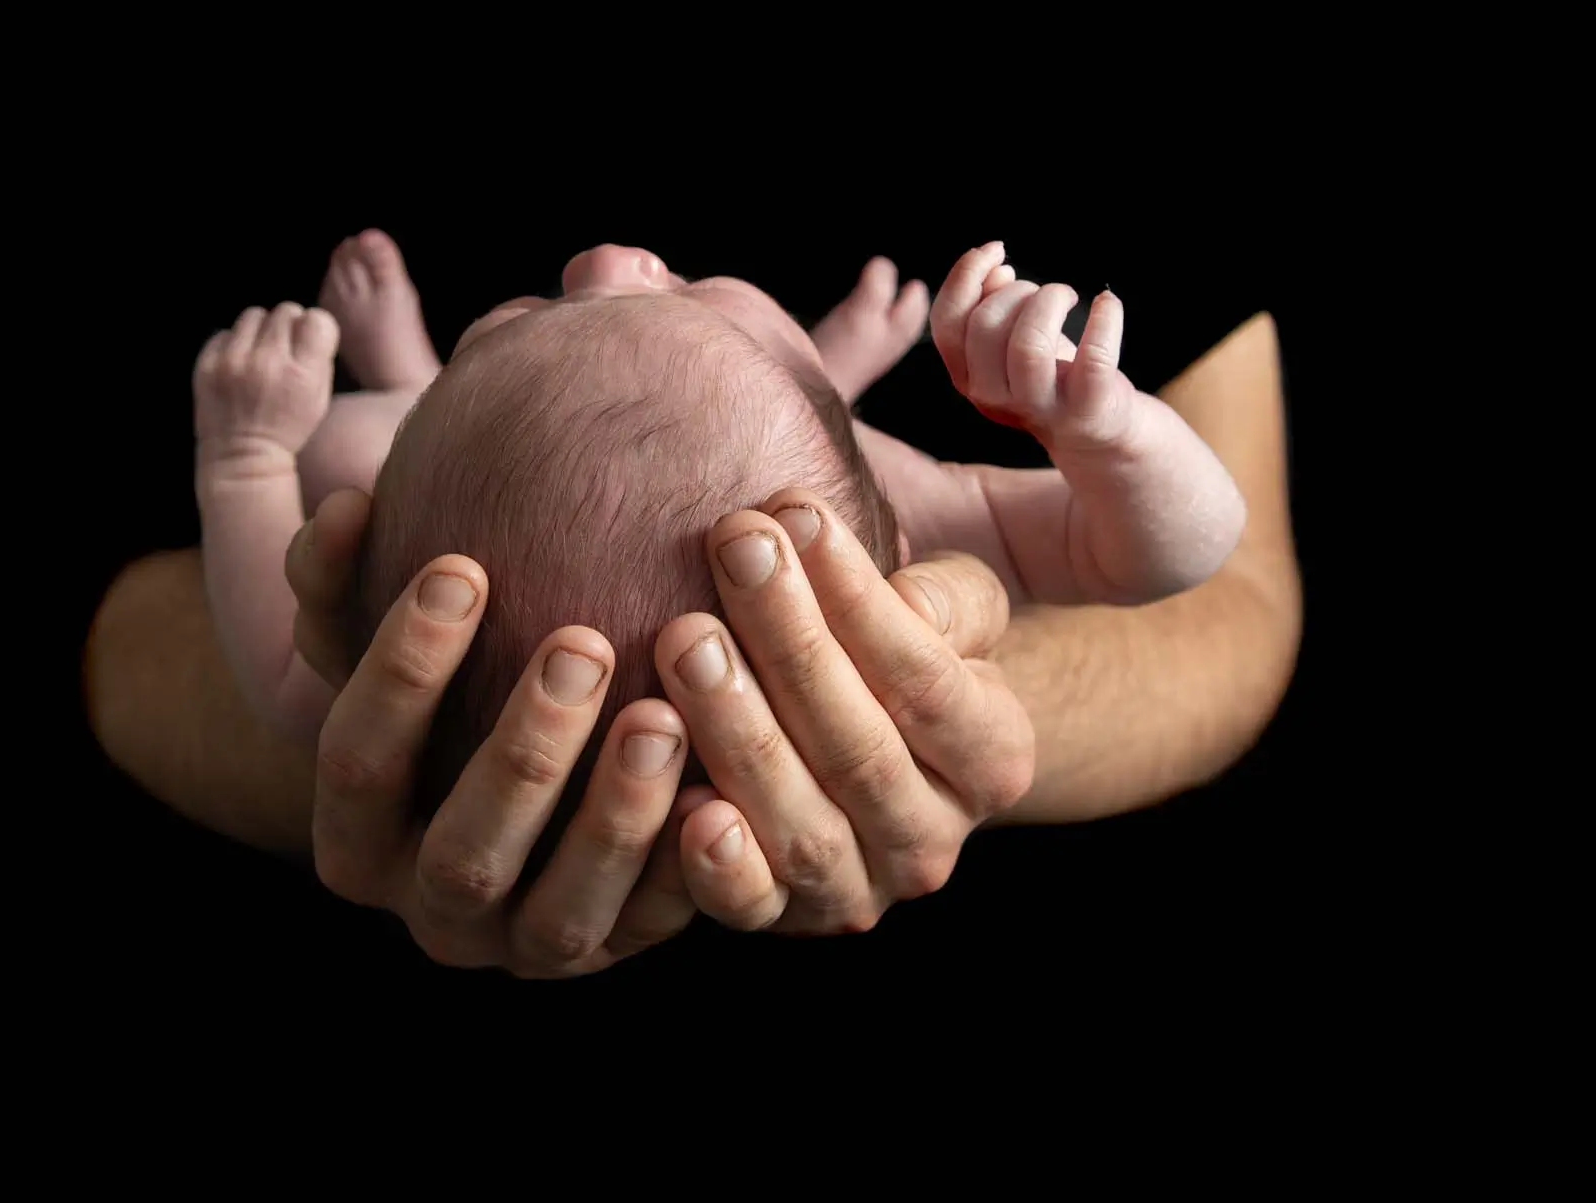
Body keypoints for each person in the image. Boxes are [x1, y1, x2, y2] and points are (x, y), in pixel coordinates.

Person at [84, 230, 1303, 977]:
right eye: (690, 290)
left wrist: (244, 460)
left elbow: (277, 674)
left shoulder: (377, 585)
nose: (602, 257)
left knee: (364, 454)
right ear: (845, 442)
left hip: (419, 467)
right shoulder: (901, 502)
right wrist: (1102, 433)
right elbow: (1181, 557)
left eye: (516, 320)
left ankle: (406, 372)